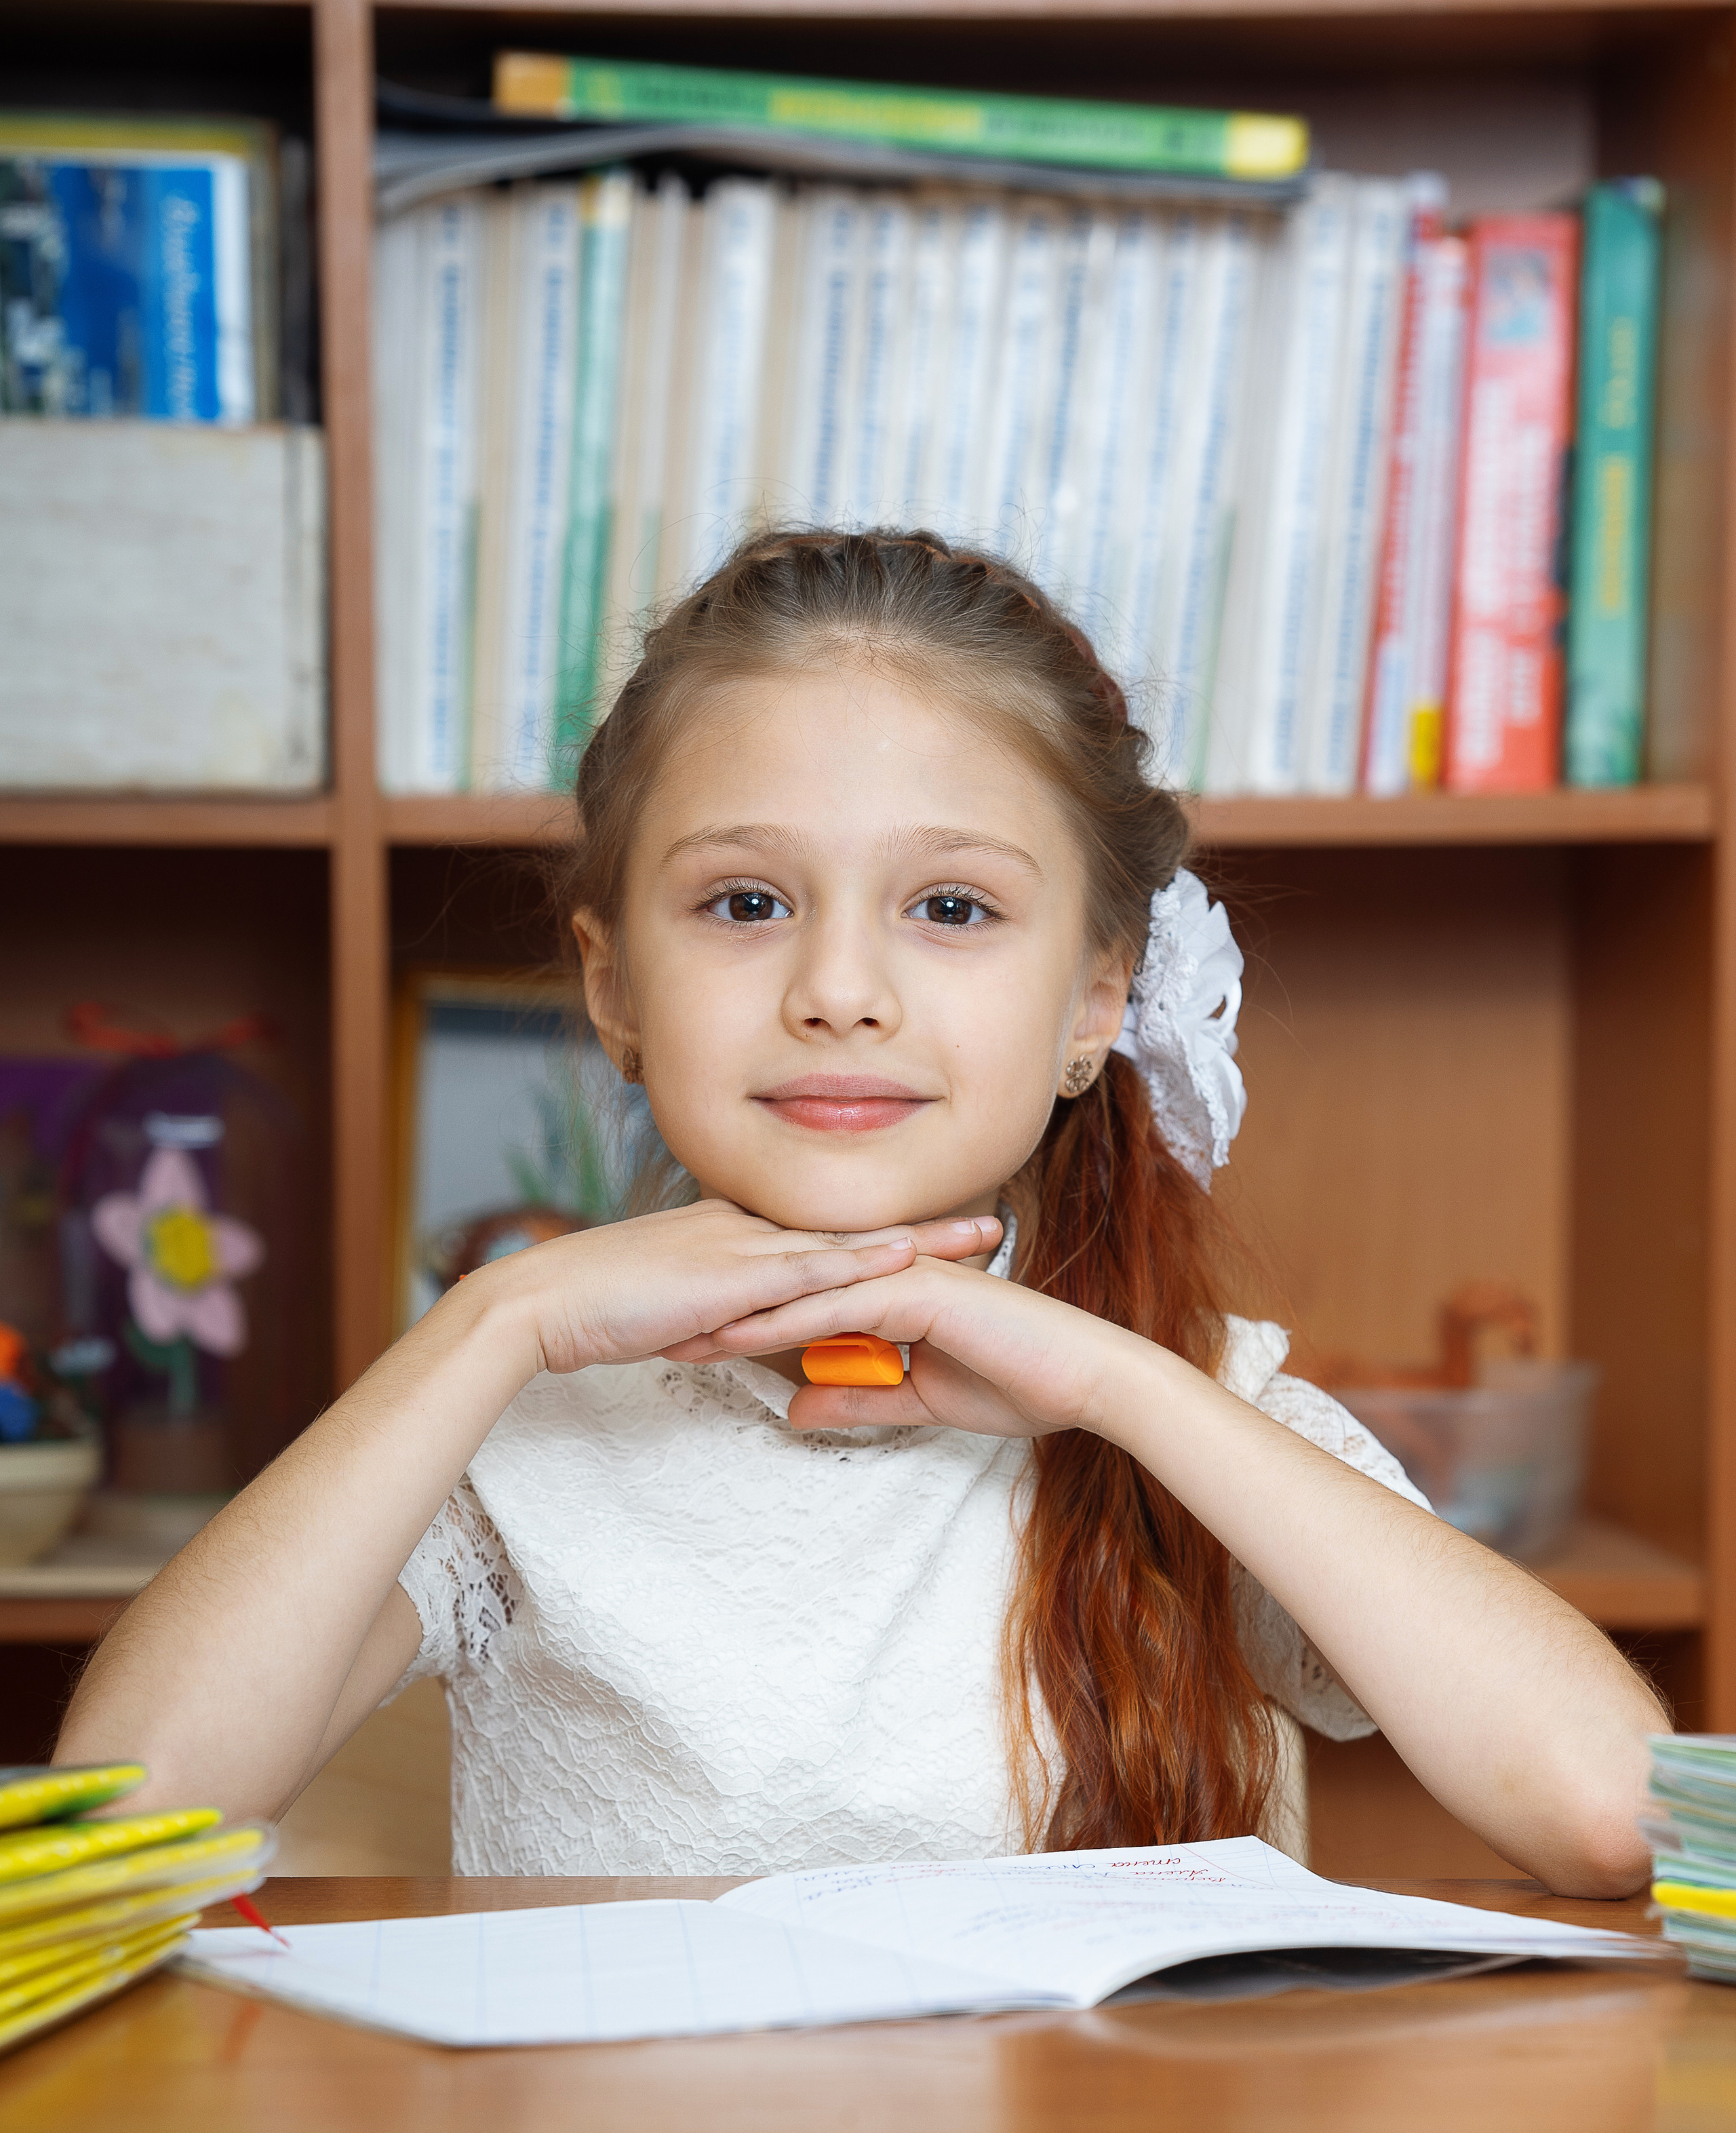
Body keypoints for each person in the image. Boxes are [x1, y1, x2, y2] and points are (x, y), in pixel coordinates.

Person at [57, 530, 1664, 1894]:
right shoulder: (516, 1430)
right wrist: (496, 1320)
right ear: (614, 987)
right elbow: (130, 1815)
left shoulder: (1194, 1408)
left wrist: (1113, 1387)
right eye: (744, 903)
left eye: (950, 907)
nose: (837, 992)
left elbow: (1621, 1820)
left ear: (1097, 995)